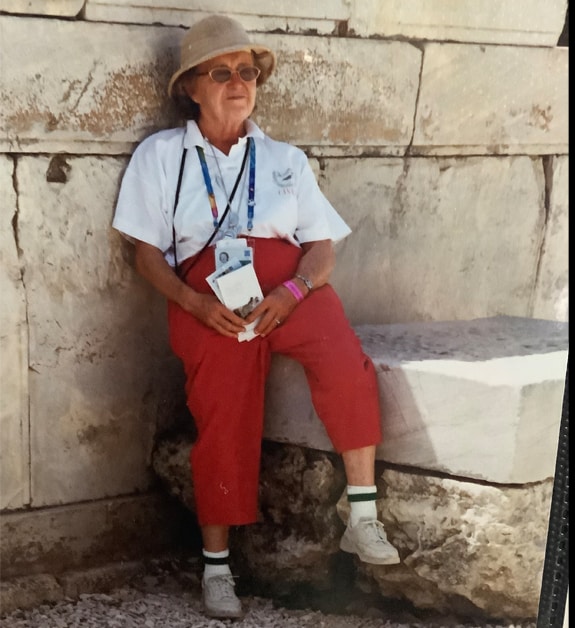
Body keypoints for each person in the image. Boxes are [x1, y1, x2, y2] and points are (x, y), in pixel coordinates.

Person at [111, 14, 400, 619]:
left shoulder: (285, 159)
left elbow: (321, 246)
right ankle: (217, 569)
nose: (238, 82)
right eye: (222, 72)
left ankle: (364, 517)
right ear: (192, 86)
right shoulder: (162, 156)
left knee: (345, 359)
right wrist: (192, 304)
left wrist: (296, 289)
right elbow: (144, 254)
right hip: (207, 296)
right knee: (223, 407)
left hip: (289, 288)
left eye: (247, 71)